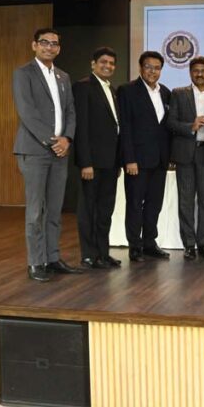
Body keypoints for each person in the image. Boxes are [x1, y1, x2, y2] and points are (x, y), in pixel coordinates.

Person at [12, 28, 82, 282]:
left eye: (54, 44)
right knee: (35, 211)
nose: (49, 47)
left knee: (54, 210)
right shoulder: (23, 74)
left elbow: (71, 112)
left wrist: (67, 139)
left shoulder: (63, 76)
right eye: (44, 42)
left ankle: (52, 258)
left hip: (60, 152)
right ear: (34, 45)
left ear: (59, 49)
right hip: (34, 150)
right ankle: (35, 262)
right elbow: (26, 112)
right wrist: (53, 142)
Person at [166, 56, 204, 260]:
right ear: (190, 72)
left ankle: (203, 242)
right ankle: (189, 244)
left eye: (203, 71)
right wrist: (191, 126)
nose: (199, 74)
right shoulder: (178, 93)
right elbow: (171, 123)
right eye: (196, 70)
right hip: (185, 154)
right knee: (186, 201)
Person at [117, 51, 171, 262]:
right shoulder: (127, 90)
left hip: (160, 160)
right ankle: (135, 245)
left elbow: (166, 127)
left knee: (154, 204)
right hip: (137, 160)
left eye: (157, 68)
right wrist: (129, 159)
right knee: (134, 203)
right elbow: (125, 127)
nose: (152, 71)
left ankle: (149, 242)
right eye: (148, 67)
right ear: (140, 68)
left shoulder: (165, 92)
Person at [72, 47, 122, 270]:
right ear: (93, 64)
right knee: (88, 210)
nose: (107, 66)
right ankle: (88, 255)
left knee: (105, 211)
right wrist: (85, 162)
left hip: (110, 163)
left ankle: (103, 252)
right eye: (103, 62)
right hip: (92, 163)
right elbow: (81, 127)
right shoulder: (83, 87)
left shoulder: (112, 89)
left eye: (111, 63)